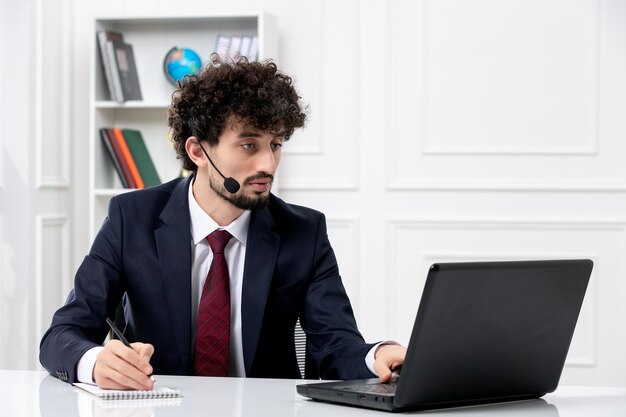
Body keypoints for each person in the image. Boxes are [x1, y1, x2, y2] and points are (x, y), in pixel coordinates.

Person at [39, 57, 406, 390]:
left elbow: (337, 343)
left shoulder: (304, 232)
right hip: (160, 408)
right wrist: (96, 362)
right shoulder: (130, 218)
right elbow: (61, 336)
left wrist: (377, 356)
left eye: (275, 144)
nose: (269, 164)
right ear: (197, 151)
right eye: (249, 145)